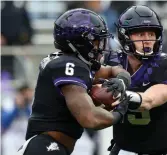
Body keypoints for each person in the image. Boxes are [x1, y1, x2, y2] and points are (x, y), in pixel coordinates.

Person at [17, 8, 132, 155]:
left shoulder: (75, 64)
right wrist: (118, 114)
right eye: (96, 42)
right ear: (80, 43)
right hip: (45, 147)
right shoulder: (68, 66)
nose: (101, 48)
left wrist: (121, 80)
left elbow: (113, 70)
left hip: (52, 147)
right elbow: (90, 118)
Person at [104, 5, 167, 155]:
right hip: (123, 150)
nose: (147, 40)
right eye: (140, 34)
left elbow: (149, 101)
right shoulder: (111, 61)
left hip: (162, 152)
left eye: (151, 34)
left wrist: (118, 93)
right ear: (125, 36)